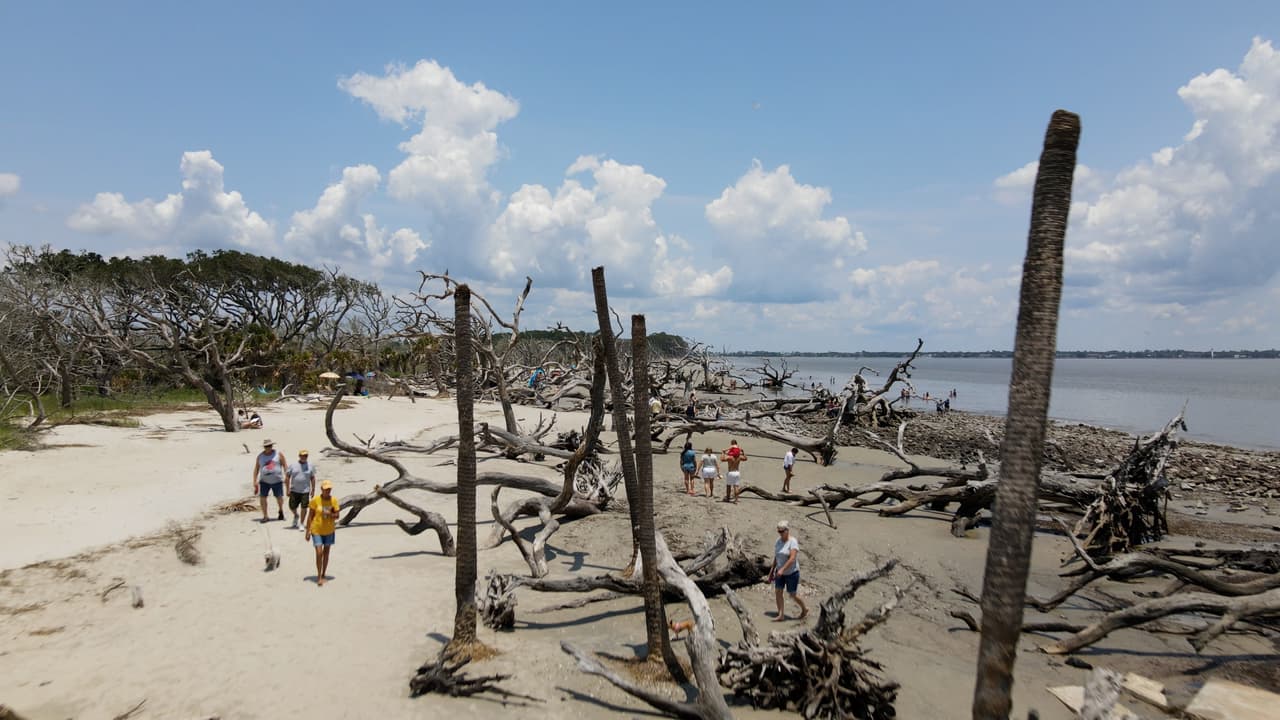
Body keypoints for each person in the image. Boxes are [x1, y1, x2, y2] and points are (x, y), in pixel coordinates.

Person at [766, 520, 808, 622]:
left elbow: (792, 558)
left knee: (792, 594)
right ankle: (781, 615)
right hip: (779, 571)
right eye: (778, 531)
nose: (780, 533)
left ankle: (804, 609)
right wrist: (771, 571)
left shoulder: (792, 542)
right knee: (778, 592)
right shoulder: (778, 542)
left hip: (792, 573)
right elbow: (776, 556)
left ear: (787, 530)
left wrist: (782, 570)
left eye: (782, 531)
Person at [304, 480, 340, 586]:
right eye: (326, 489)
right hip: (317, 530)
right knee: (319, 552)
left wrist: (330, 514)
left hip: (329, 530)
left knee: (326, 552)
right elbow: (310, 516)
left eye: (329, 489)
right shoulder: (315, 500)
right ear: (322, 489)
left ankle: (324, 574)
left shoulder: (333, 500)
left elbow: (337, 516)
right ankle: (319, 576)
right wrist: (307, 531)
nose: (327, 491)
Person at [252, 439, 288, 522]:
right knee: (262, 497)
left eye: (270, 446)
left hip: (277, 480)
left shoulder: (278, 454)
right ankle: (265, 516)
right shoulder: (260, 456)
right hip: (264, 481)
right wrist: (255, 481)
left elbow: (285, 465)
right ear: (264, 447)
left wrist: (287, 476)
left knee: (279, 497)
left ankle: (281, 510)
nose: (268, 447)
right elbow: (256, 469)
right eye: (266, 446)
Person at [286, 449, 318, 529]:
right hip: (294, 490)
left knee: (304, 507)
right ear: (299, 456)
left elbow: (312, 478)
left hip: (305, 491)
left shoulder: (310, 466)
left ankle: (301, 523)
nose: (304, 457)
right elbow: (287, 477)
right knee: (292, 506)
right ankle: (296, 515)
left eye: (306, 456)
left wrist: (313, 489)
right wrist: (287, 489)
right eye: (302, 455)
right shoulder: (293, 465)